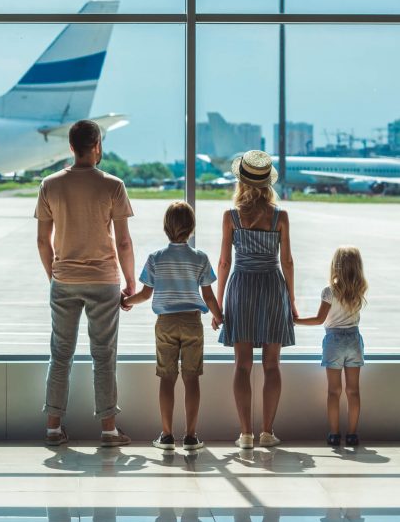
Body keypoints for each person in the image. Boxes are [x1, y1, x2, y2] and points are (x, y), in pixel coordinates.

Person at [35, 119, 135, 447]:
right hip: (104, 280)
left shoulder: (49, 184)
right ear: (97, 147)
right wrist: (130, 281)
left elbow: (42, 241)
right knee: (103, 355)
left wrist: (55, 276)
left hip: (64, 278)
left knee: (60, 353)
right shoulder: (113, 185)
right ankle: (108, 430)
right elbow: (123, 242)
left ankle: (52, 427)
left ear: (70, 147)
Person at [122, 201, 222, 450]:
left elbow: (146, 294)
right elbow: (208, 296)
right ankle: (190, 436)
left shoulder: (156, 258)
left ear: (166, 227)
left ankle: (166, 435)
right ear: (192, 228)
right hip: (191, 322)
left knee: (167, 379)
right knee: (191, 379)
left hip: (165, 323)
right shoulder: (200, 258)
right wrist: (218, 316)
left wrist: (126, 301)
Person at [216, 150, 297, 449]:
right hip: (272, 287)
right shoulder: (280, 216)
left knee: (242, 365)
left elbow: (224, 263)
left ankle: (245, 434)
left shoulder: (232, 216)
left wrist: (220, 303)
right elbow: (287, 262)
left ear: (241, 182)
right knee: (272, 365)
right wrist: (291, 299)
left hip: (241, 287)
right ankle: (267, 432)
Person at [295, 246, 367, 447]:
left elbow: (319, 320)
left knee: (334, 391)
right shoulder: (359, 290)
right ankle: (352, 434)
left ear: (335, 265)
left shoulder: (329, 291)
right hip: (354, 340)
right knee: (353, 391)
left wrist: (296, 320)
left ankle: (334, 434)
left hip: (334, 341)